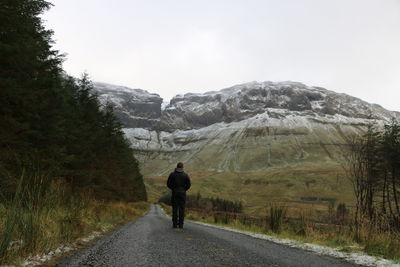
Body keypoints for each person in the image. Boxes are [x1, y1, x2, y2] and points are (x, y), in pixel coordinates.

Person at [167, 162, 191, 228]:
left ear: (176, 167)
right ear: (182, 167)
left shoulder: (172, 174)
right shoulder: (185, 175)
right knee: (182, 209)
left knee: (175, 208)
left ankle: (175, 224)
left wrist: (173, 188)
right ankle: (181, 224)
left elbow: (168, 184)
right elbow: (189, 185)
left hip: (174, 193)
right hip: (182, 194)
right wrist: (184, 190)